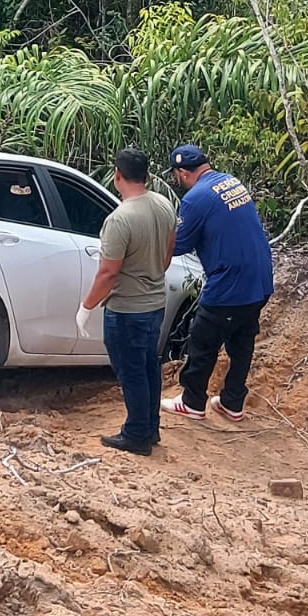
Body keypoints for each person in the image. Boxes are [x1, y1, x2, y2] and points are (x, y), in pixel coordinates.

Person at [160, 145, 273, 422]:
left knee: (203, 340)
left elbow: (180, 244)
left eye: (176, 175)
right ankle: (233, 403)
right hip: (260, 281)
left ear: (183, 173)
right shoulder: (230, 182)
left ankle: (192, 402)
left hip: (230, 285)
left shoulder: (195, 198)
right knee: (241, 343)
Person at [77, 147, 176, 456]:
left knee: (131, 372)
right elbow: (167, 255)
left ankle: (136, 434)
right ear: (146, 176)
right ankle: (150, 427)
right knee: (148, 367)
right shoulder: (163, 205)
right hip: (154, 303)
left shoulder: (120, 219)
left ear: (117, 175)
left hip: (127, 309)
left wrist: (86, 307)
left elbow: (108, 272)